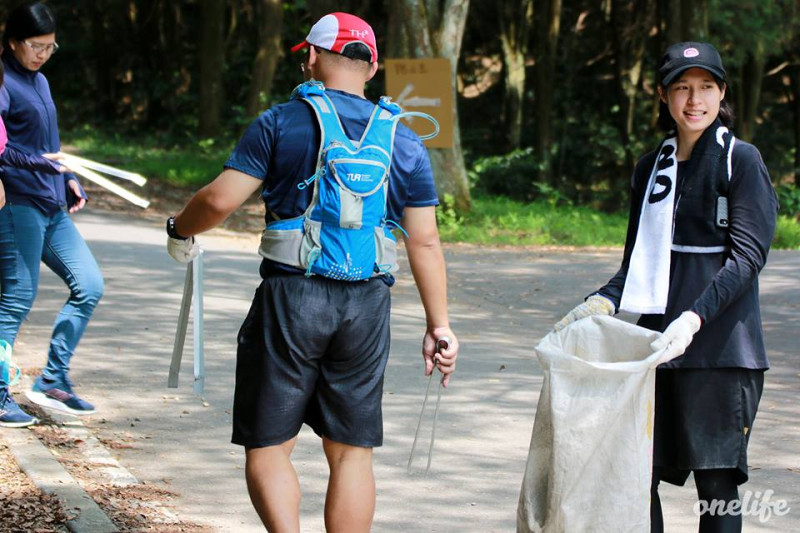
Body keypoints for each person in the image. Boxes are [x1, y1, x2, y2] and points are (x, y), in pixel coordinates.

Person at [167, 12, 459, 532]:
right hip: (367, 305)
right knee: (351, 453)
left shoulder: (282, 121)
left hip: (292, 298)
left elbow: (218, 200)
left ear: (312, 57)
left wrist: (179, 229)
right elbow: (426, 241)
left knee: (269, 444)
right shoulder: (405, 140)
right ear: (370, 68)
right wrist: (440, 326)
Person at [554, 42, 777, 533]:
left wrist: (693, 318)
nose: (693, 100)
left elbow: (747, 259)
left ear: (722, 94)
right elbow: (636, 265)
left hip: (721, 352)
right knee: (639, 477)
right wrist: (598, 303)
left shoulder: (741, 160)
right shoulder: (650, 166)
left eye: (705, 88)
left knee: (716, 487)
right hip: (652, 348)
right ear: (663, 95)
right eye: (681, 88)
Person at [0, 2, 103, 427]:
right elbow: (4, 149)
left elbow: (51, 144)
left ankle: (53, 378)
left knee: (89, 285)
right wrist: (43, 166)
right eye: (35, 46)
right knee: (16, 299)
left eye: (50, 46)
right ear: (12, 42)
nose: (42, 54)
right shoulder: (3, 80)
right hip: (17, 203)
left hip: (51, 205)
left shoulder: (39, 81)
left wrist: (68, 178)